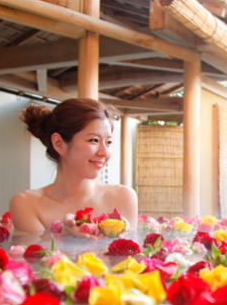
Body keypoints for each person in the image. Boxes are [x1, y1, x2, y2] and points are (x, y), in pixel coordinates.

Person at [9, 98, 138, 238]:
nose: (105, 152)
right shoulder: (27, 204)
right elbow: (34, 258)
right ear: (59, 144)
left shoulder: (123, 197)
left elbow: (130, 258)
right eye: (93, 140)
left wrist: (121, 237)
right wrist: (64, 239)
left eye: (108, 142)